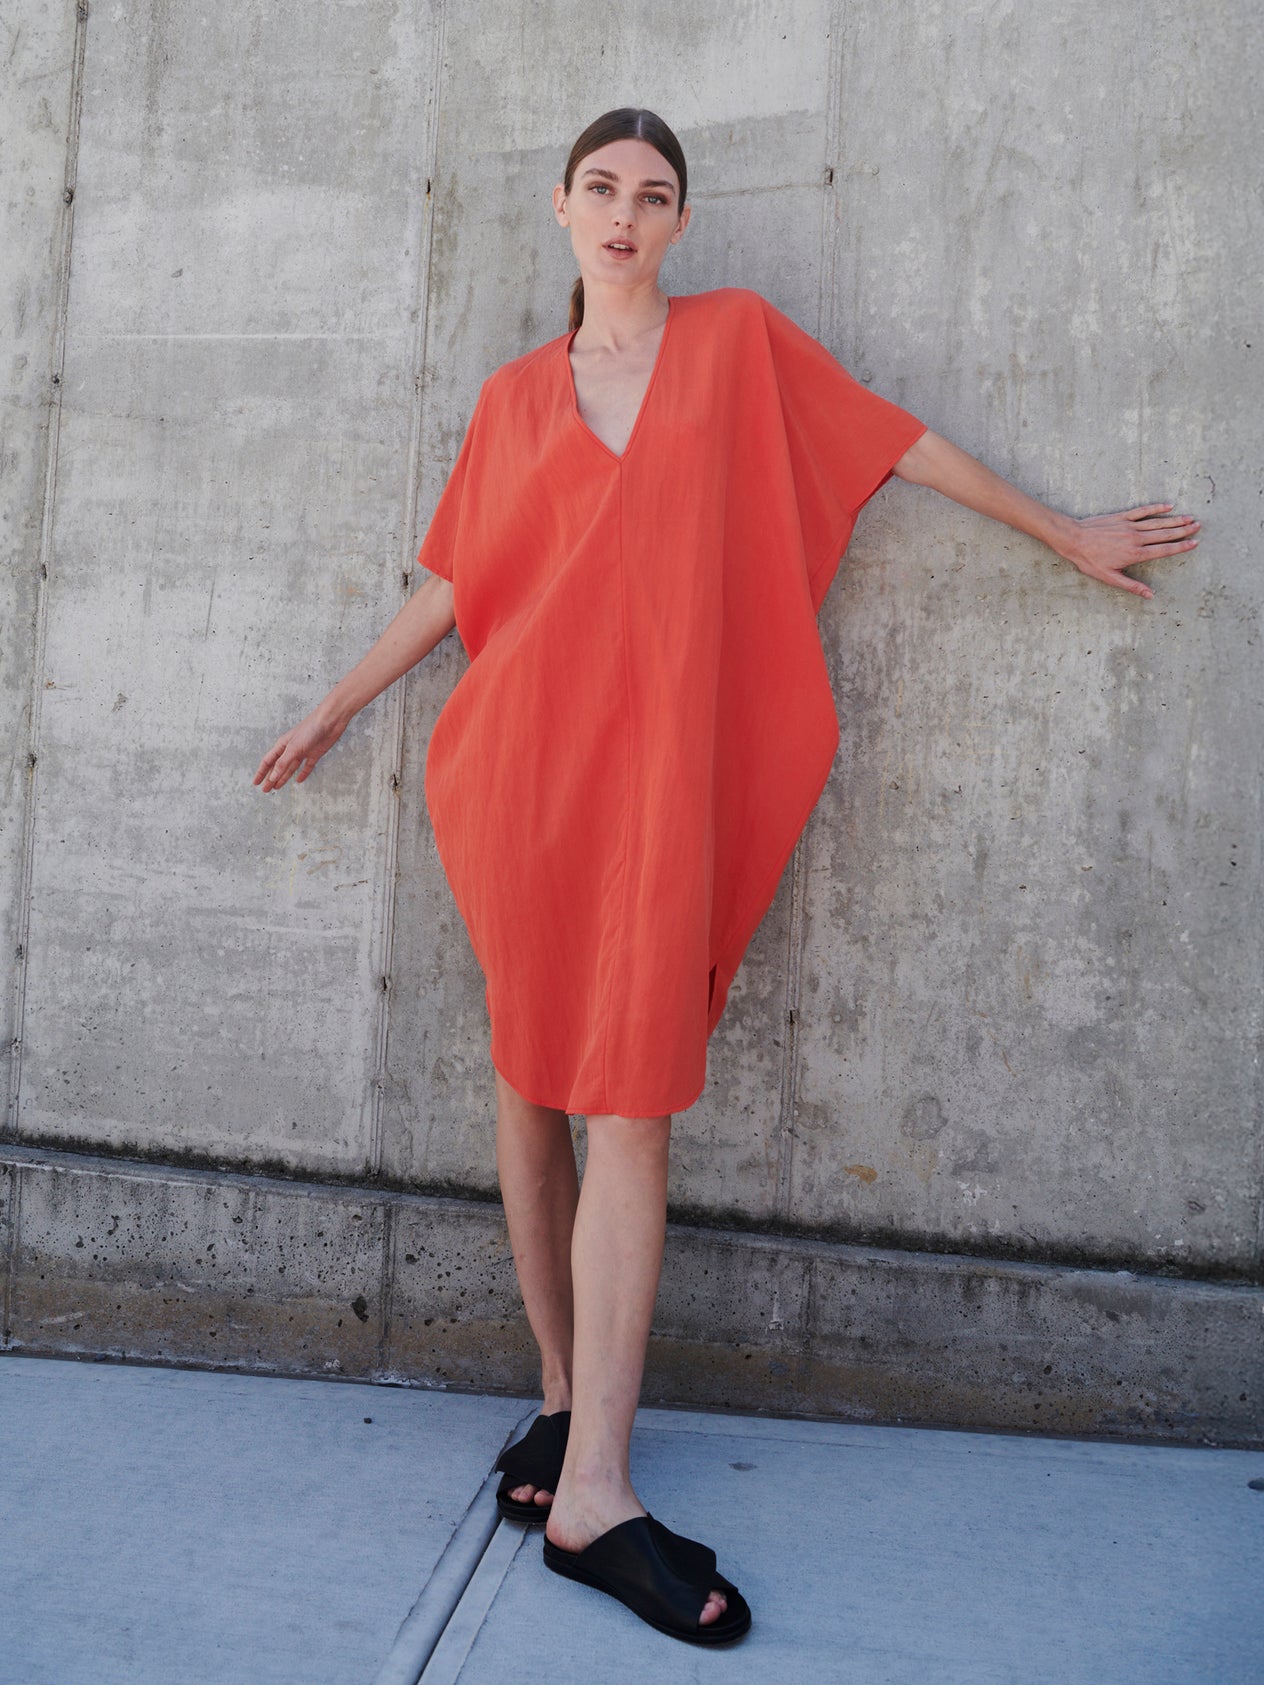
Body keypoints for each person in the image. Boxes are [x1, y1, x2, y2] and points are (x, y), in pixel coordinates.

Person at [253, 107, 1200, 1646]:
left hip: (660, 801)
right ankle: (569, 1421)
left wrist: (1060, 528)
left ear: (681, 223)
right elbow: (455, 584)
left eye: (656, 195)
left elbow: (894, 441)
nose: (626, 215)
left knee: (626, 1101)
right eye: (604, 190)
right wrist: (333, 704)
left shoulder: (741, 343)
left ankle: (596, 1490)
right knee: (530, 1084)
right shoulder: (511, 400)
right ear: (561, 208)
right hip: (524, 787)